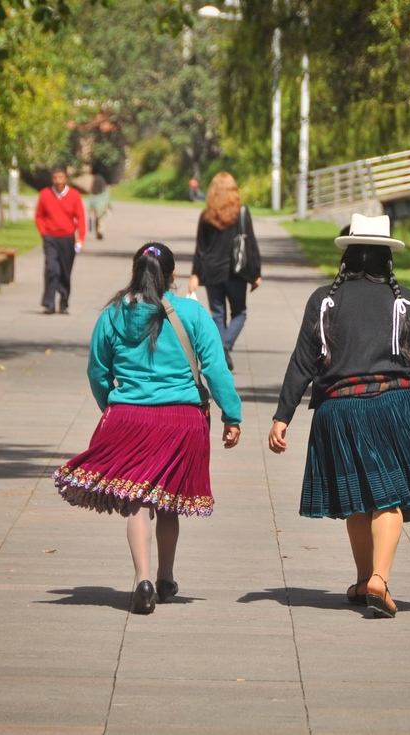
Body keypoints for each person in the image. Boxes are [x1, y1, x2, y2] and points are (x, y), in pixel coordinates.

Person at [267, 214, 410, 619]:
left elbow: (303, 362)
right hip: (399, 407)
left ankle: (365, 576)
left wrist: (283, 416)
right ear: (388, 258)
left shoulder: (324, 301)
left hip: (341, 410)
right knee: (390, 496)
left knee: (357, 496)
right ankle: (378, 581)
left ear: (346, 255)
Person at [54, 243, 243, 614]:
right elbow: (216, 369)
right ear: (172, 275)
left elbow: (97, 370)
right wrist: (231, 415)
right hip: (181, 421)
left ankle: (142, 578)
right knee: (168, 501)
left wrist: (111, 405)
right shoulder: (192, 313)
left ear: (134, 271)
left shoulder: (113, 314)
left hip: (128, 418)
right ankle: (166, 576)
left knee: (138, 502)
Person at [188, 171, 261, 371]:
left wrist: (195, 274)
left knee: (218, 313)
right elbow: (251, 244)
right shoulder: (242, 213)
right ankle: (225, 346)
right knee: (240, 312)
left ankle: (221, 348)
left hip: (212, 272)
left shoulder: (206, 216)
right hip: (237, 272)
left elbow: (200, 248)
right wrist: (255, 273)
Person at [34, 164, 86, 314]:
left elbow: (80, 217)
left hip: (67, 239)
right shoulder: (45, 194)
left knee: (65, 272)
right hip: (50, 238)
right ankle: (49, 303)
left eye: (61, 177)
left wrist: (80, 238)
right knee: (52, 269)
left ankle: (63, 301)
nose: (58, 180)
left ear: (66, 178)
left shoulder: (74, 195)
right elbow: (39, 216)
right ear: (52, 179)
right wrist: (44, 232)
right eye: (55, 178)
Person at [87, 170, 110, 240]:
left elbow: (91, 202)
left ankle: (98, 231)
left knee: (97, 221)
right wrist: (108, 208)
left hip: (96, 209)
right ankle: (100, 231)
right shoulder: (105, 193)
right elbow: (107, 201)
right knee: (101, 221)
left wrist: (90, 209)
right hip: (103, 209)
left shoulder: (93, 194)